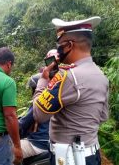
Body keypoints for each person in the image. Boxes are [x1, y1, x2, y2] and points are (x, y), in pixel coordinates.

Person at [33, 16, 109, 165]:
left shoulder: (67, 77)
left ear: (69, 45)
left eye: (60, 45)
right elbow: (103, 116)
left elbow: (38, 114)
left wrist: (43, 80)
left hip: (68, 158)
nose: (58, 50)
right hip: (92, 155)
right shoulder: (101, 76)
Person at [19, 74, 49, 159]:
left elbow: (22, 124)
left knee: (6, 152)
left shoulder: (40, 102)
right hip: (49, 142)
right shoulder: (53, 99)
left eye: (33, 89)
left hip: (38, 143)